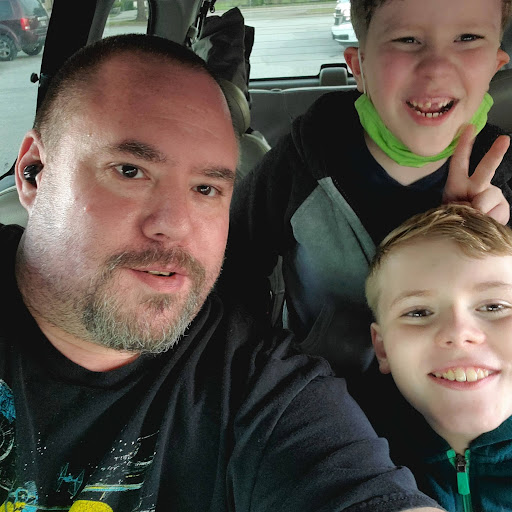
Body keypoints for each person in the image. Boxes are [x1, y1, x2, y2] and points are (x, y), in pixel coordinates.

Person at [0, 34, 442, 512]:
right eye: (130, 171)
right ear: (33, 172)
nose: (174, 225)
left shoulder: (262, 385)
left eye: (206, 189)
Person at [220, 0, 512, 380]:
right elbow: (232, 268)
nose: (437, 68)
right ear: (359, 67)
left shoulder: (503, 175)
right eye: (407, 39)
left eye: (468, 37)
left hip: (459, 394)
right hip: (320, 392)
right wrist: (267, 368)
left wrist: (487, 243)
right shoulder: (302, 161)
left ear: (495, 65)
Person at [364, 203, 512, 511]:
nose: (459, 332)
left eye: (494, 306)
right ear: (383, 348)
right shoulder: (353, 450)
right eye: (418, 312)